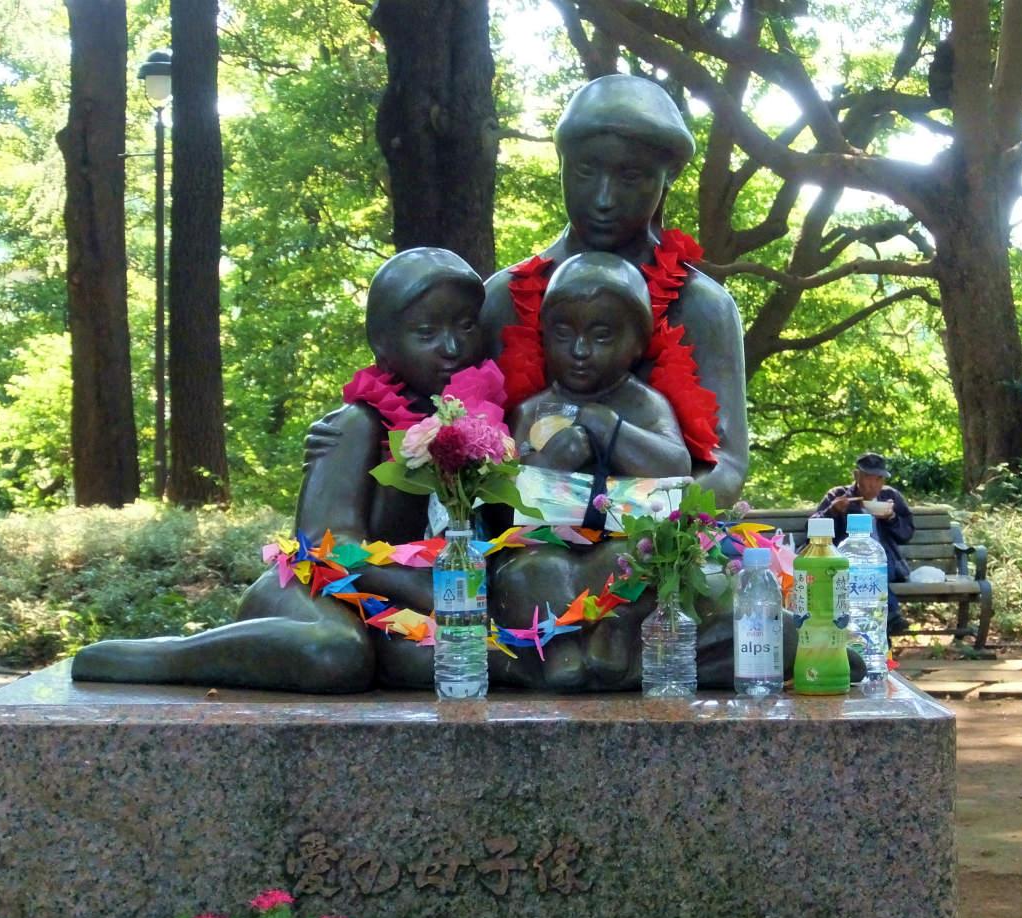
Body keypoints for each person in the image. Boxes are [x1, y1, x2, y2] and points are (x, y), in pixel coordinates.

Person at [71, 248, 491, 693]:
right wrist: (429, 588)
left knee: (445, 656)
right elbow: (327, 546)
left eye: (466, 327)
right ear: (383, 344)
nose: (452, 348)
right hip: (309, 589)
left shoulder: (478, 430)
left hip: (394, 599)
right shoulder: (358, 425)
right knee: (333, 652)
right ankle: (164, 657)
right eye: (426, 332)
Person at [480, 73, 748, 508]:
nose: (603, 199)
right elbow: (469, 450)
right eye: (586, 171)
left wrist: (621, 517)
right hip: (521, 535)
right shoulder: (504, 297)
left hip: (655, 537)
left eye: (630, 176)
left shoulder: (702, 306)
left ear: (668, 176)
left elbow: (726, 468)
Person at [509, 251, 691, 492]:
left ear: (638, 342)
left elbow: (677, 467)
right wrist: (548, 464)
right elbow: (505, 491)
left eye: (601, 336)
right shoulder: (531, 412)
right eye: (563, 334)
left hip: (633, 517)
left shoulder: (644, 404)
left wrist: (609, 429)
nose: (579, 350)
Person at [812, 452, 914, 633]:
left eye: (879, 479)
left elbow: (906, 533)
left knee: (871, 566)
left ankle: (884, 621)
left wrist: (891, 518)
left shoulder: (890, 497)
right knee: (858, 568)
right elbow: (812, 530)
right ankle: (890, 617)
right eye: (869, 477)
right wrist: (832, 512)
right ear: (856, 476)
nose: (874, 484)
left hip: (886, 560)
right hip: (847, 561)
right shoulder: (839, 496)